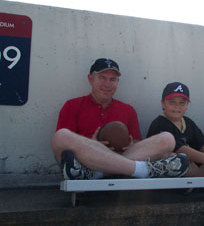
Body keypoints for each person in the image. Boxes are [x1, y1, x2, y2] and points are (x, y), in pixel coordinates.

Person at [52, 58, 189, 180]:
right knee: (61, 136)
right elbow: (64, 146)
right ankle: (142, 170)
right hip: (86, 159)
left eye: (112, 79)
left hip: (107, 161)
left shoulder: (128, 110)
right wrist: (92, 144)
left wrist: (131, 145)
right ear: (90, 79)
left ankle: (96, 173)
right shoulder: (72, 105)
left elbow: (136, 142)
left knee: (167, 139)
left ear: (117, 82)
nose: (107, 84)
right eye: (102, 78)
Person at [147, 82, 204, 177]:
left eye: (182, 102)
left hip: (194, 164)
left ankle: (201, 181)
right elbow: (179, 149)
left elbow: (202, 143)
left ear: (187, 105)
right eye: (172, 102)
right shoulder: (159, 123)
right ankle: (203, 181)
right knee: (180, 160)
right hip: (167, 167)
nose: (177, 106)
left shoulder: (188, 122)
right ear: (163, 103)